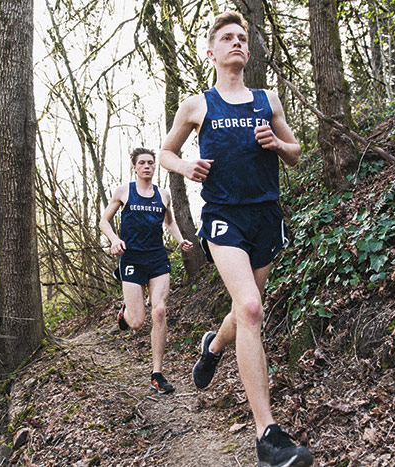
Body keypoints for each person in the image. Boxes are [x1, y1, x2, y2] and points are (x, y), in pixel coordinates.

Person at [159, 11, 313, 467]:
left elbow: (298, 154)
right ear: (211, 52)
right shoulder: (197, 105)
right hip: (224, 218)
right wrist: (185, 166)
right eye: (227, 38)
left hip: (266, 216)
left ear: (248, 50)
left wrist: (278, 146)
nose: (236, 43)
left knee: (242, 312)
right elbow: (166, 151)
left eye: (242, 38)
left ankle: (212, 346)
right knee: (251, 308)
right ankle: (268, 437)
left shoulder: (268, 101)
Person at [99, 147, 193, 395]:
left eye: (151, 162)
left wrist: (180, 239)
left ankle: (157, 374)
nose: (147, 166)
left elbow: (169, 222)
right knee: (138, 322)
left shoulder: (163, 195)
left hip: (157, 258)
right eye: (142, 163)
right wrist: (113, 240)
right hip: (131, 259)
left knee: (160, 310)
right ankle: (125, 312)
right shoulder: (124, 192)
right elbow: (103, 221)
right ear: (135, 167)